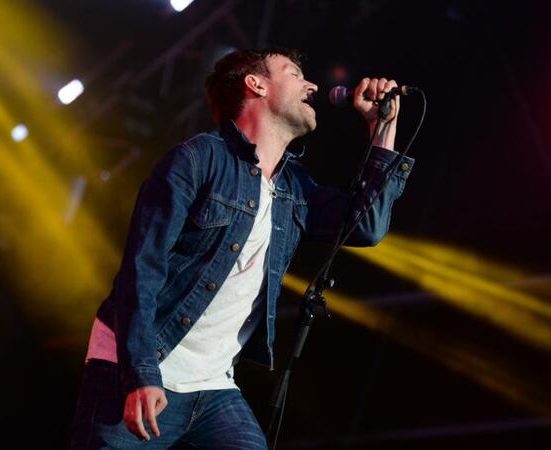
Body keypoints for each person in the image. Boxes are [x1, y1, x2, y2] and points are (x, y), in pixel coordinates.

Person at [70, 48, 414, 449]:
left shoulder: (294, 189)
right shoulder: (197, 160)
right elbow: (140, 272)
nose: (313, 85)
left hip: (213, 386)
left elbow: (366, 227)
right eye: (295, 73)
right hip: (135, 367)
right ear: (256, 84)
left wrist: (382, 128)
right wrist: (141, 375)